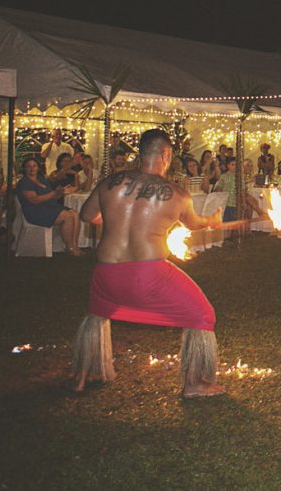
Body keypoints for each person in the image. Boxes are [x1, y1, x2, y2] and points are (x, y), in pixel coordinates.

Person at [68, 128, 236, 398]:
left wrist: (116, 221)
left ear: (141, 153)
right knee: (202, 315)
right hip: (148, 275)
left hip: (106, 273)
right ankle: (194, 383)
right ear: (166, 155)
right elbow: (195, 224)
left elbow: (87, 216)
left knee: (97, 315)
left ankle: (82, 376)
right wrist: (213, 221)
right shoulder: (177, 193)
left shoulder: (111, 182)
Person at [16, 157, 82, 255]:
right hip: (36, 211)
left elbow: (52, 196)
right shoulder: (24, 182)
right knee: (67, 216)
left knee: (75, 213)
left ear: (38, 167)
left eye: (34, 166)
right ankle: (70, 248)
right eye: (29, 166)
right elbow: (34, 200)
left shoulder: (41, 179)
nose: (32, 169)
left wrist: (61, 192)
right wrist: (54, 193)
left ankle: (75, 245)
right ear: (24, 169)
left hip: (49, 206)